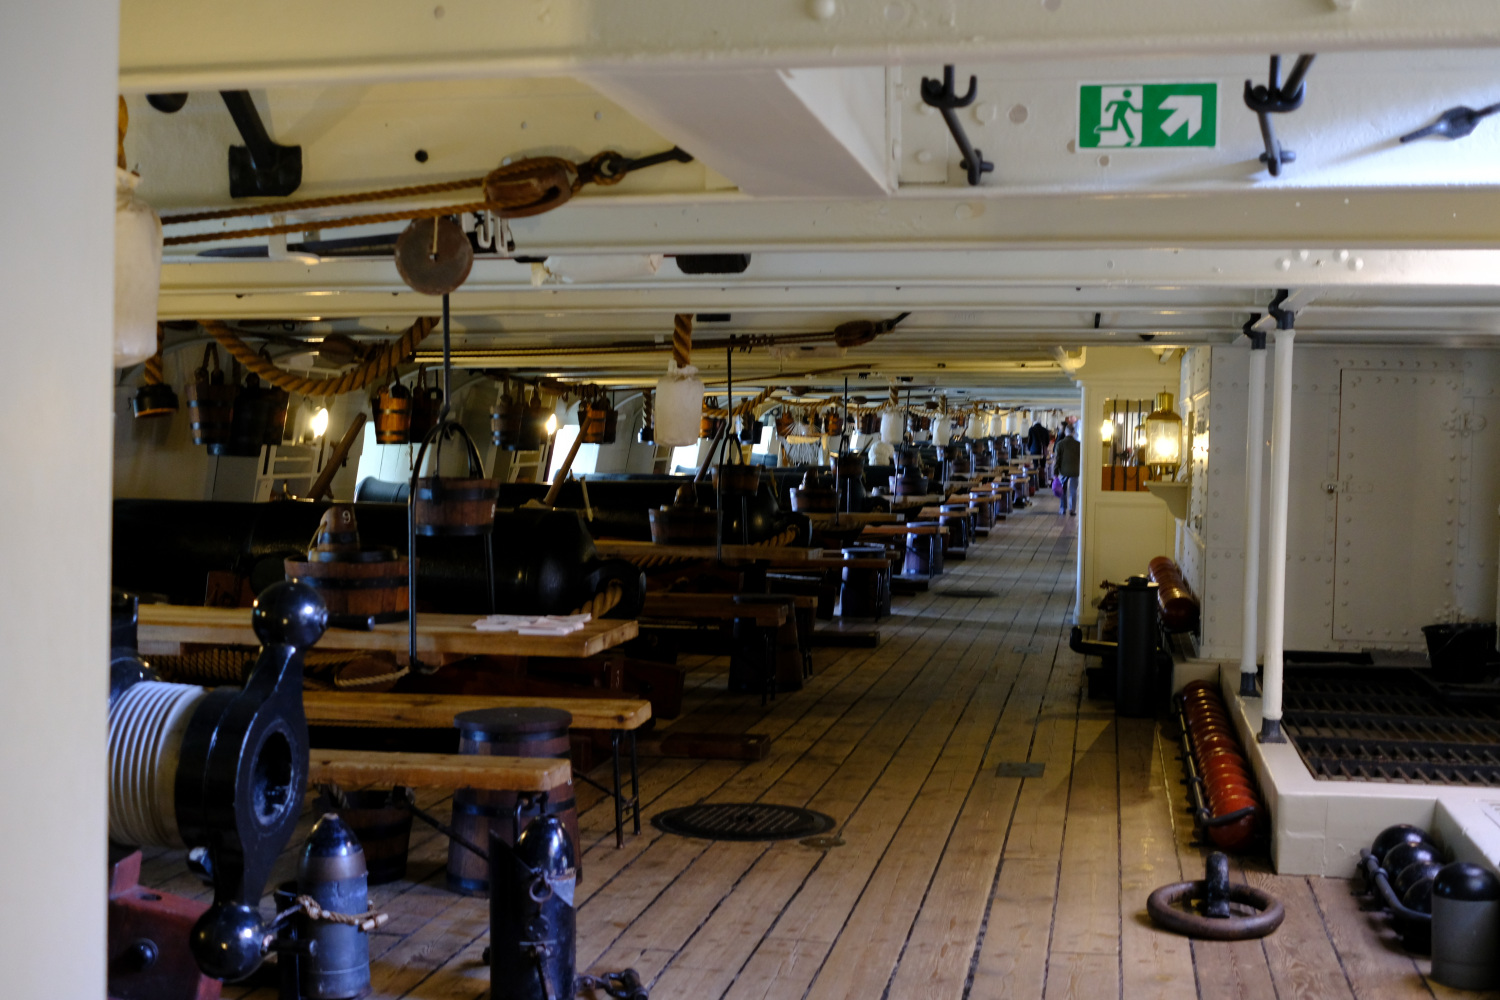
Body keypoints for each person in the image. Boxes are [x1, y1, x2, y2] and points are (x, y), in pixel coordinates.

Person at [1054, 423, 1080, 516]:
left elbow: (1057, 459)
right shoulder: (1079, 445)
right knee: (1073, 491)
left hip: (1063, 471)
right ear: (1073, 432)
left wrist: (1055, 472)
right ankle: (1072, 510)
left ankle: (1063, 508)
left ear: (1065, 432)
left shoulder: (1060, 444)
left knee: (1063, 490)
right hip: (1075, 470)